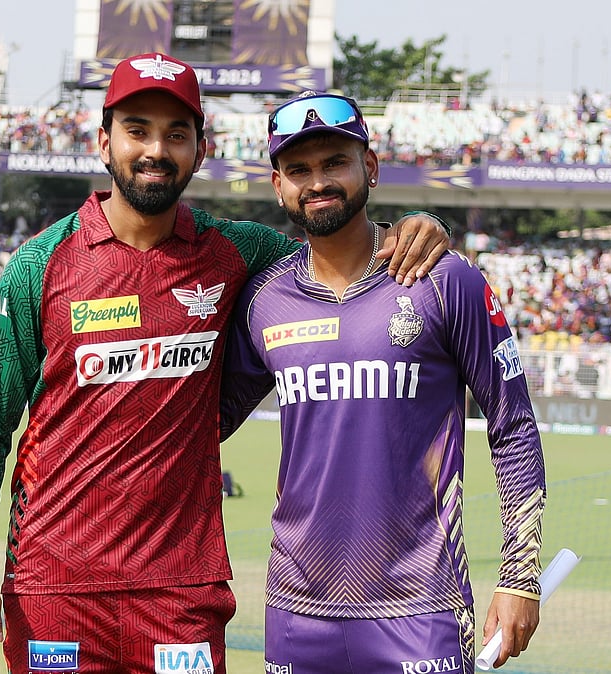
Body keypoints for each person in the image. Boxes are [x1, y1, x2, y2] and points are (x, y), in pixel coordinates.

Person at [0, 54, 453, 674]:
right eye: (137, 130)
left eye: (176, 134)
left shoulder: (237, 252)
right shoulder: (40, 264)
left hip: (181, 595)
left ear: (200, 150)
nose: (156, 150)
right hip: (56, 590)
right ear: (103, 142)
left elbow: (335, 249)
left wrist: (415, 226)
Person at [219, 91, 547, 673]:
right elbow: (202, 422)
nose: (318, 182)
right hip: (296, 609)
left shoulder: (446, 281)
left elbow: (513, 425)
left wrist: (520, 576)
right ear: (277, 185)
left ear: (369, 167)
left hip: (421, 607)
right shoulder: (265, 300)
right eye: (299, 170)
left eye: (334, 163)